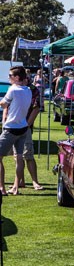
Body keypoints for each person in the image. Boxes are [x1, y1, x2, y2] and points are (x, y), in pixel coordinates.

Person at [0, 66, 33, 195]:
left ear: (17, 78)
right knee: (19, 157)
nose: (9, 78)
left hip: (11, 128)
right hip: (23, 127)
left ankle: (2, 188)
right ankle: (15, 187)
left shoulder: (12, 89)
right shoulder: (28, 90)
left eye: (10, 76)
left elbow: (3, 104)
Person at [12, 71, 43, 192]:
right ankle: (20, 181)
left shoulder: (32, 89)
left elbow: (36, 108)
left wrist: (26, 125)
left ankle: (35, 182)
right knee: (17, 156)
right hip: (14, 127)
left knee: (28, 155)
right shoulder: (14, 88)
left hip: (25, 127)